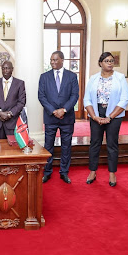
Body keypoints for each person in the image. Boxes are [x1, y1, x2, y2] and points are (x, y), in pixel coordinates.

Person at [83, 52, 128, 187]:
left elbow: (124, 99)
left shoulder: (120, 78)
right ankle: (92, 171)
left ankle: (112, 173)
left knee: (112, 144)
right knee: (94, 143)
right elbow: (87, 99)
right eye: (107, 61)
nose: (110, 63)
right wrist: (94, 116)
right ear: (100, 63)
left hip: (114, 115)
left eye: (112, 61)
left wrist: (110, 117)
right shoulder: (93, 78)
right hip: (96, 113)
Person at [38, 51, 79, 184]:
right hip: (51, 117)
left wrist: (64, 110)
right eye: (51, 60)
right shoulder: (44, 77)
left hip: (67, 118)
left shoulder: (72, 76)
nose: (53, 62)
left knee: (66, 146)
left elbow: (74, 96)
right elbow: (41, 96)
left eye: (55, 60)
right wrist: (53, 111)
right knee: (48, 146)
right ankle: (47, 172)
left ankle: (64, 172)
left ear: (62, 60)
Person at [0, 61, 26, 139]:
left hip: (12, 121)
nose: (5, 70)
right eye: (3, 68)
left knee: (12, 148)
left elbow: (22, 102)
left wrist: (9, 114)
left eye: (7, 68)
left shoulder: (19, 83)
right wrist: (0, 112)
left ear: (12, 69)